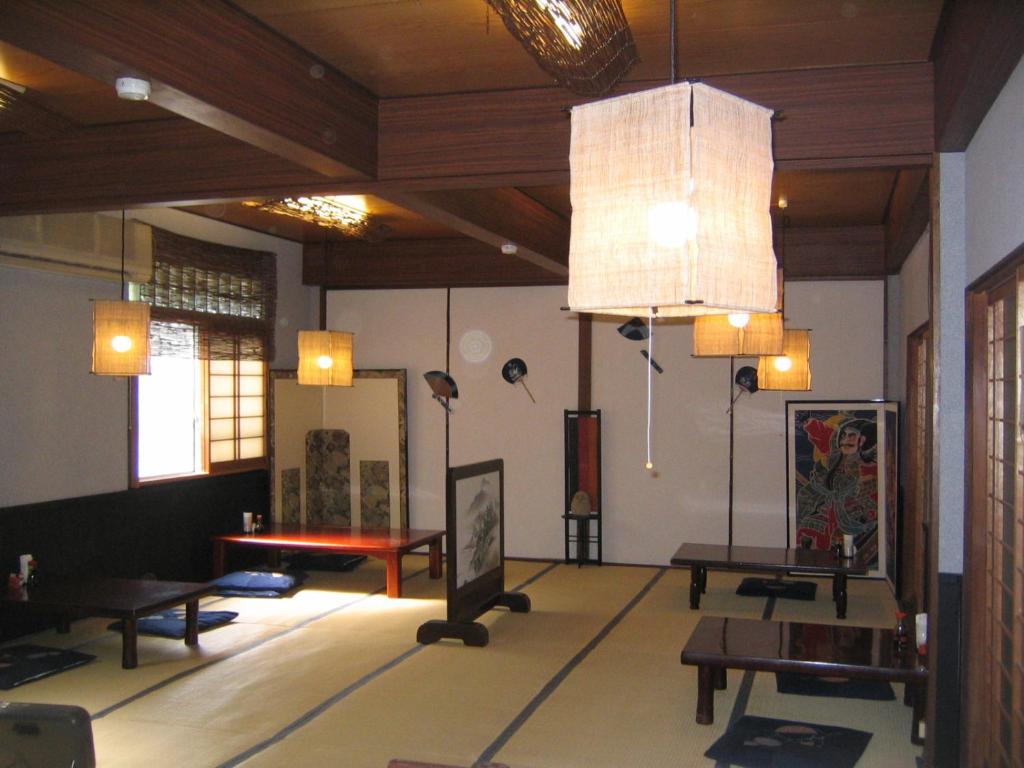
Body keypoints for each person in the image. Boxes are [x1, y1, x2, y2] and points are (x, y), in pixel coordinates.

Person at [795, 415, 878, 551]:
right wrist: (809, 423)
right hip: (828, 513)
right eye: (843, 435)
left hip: (855, 523)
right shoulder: (837, 458)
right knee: (806, 529)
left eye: (851, 436)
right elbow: (825, 436)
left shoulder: (873, 471)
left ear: (864, 441)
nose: (844, 440)